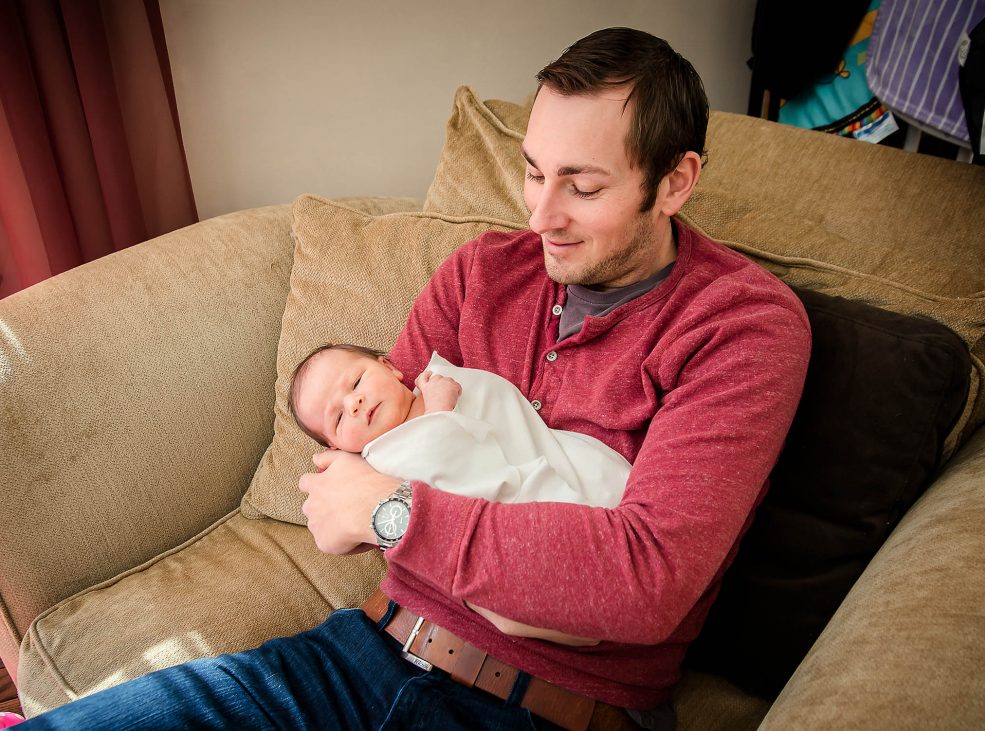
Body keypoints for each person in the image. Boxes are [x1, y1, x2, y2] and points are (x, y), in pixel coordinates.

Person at [20, 27, 811, 730]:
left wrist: (398, 516)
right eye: (534, 172)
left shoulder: (741, 326)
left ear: (674, 182)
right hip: (361, 651)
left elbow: (639, 581)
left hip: (552, 707)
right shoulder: (478, 276)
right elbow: (356, 472)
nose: (538, 217)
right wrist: (424, 517)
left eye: (584, 185)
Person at [289, 345, 631, 508]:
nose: (354, 403)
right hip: (540, 509)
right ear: (337, 448)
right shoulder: (383, 462)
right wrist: (439, 413)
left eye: (357, 382)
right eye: (337, 418)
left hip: (584, 465)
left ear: (390, 367)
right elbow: (457, 487)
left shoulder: (435, 378)